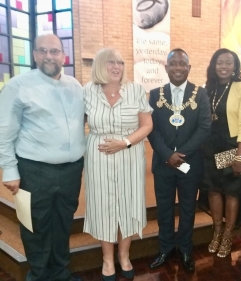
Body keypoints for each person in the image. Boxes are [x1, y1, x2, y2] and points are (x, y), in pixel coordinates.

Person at [0, 34, 85, 281]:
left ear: (63, 56)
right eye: (43, 51)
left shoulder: (75, 86)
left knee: (63, 224)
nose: (49, 56)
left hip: (71, 170)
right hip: (34, 170)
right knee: (35, 226)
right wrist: (10, 170)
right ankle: (38, 275)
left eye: (55, 51)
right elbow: (5, 131)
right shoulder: (18, 86)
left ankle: (61, 273)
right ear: (35, 55)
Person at [83, 48, 153, 281]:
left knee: (129, 204)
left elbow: (146, 125)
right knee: (104, 207)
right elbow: (75, 124)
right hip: (98, 156)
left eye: (120, 63)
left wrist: (124, 143)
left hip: (129, 154)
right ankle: (107, 259)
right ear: (100, 65)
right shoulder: (87, 91)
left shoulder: (135, 90)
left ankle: (124, 256)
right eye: (111, 62)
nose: (116, 67)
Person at [147, 48, 211, 271]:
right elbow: (151, 128)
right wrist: (167, 155)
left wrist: (180, 154)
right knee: (164, 209)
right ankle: (165, 249)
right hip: (163, 164)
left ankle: (185, 249)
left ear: (189, 68)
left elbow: (204, 127)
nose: (177, 68)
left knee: (187, 209)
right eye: (173, 63)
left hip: (189, 164)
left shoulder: (200, 93)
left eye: (182, 63)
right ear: (166, 68)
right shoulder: (155, 94)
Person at [201, 48, 241, 258]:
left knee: (232, 190)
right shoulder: (208, 88)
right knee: (213, 189)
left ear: (235, 67)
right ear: (214, 66)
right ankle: (216, 232)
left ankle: (228, 234)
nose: (223, 66)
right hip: (210, 146)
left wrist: (240, 156)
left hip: (233, 145)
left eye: (228, 63)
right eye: (219, 62)